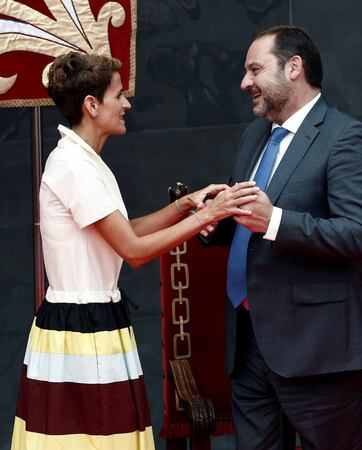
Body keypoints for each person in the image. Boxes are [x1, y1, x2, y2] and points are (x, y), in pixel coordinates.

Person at [10, 51, 258, 450]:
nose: (127, 104)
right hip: (80, 330)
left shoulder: (84, 160)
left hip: (94, 321)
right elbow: (134, 251)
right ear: (92, 105)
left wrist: (184, 205)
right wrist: (207, 214)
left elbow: (122, 233)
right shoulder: (73, 165)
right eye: (119, 95)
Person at [207, 25, 362, 450]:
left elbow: (358, 233)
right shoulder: (256, 134)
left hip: (317, 349)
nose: (244, 82)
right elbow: (247, 220)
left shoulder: (346, 137)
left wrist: (275, 221)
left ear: (294, 67)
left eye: (255, 69)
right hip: (250, 342)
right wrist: (217, 222)